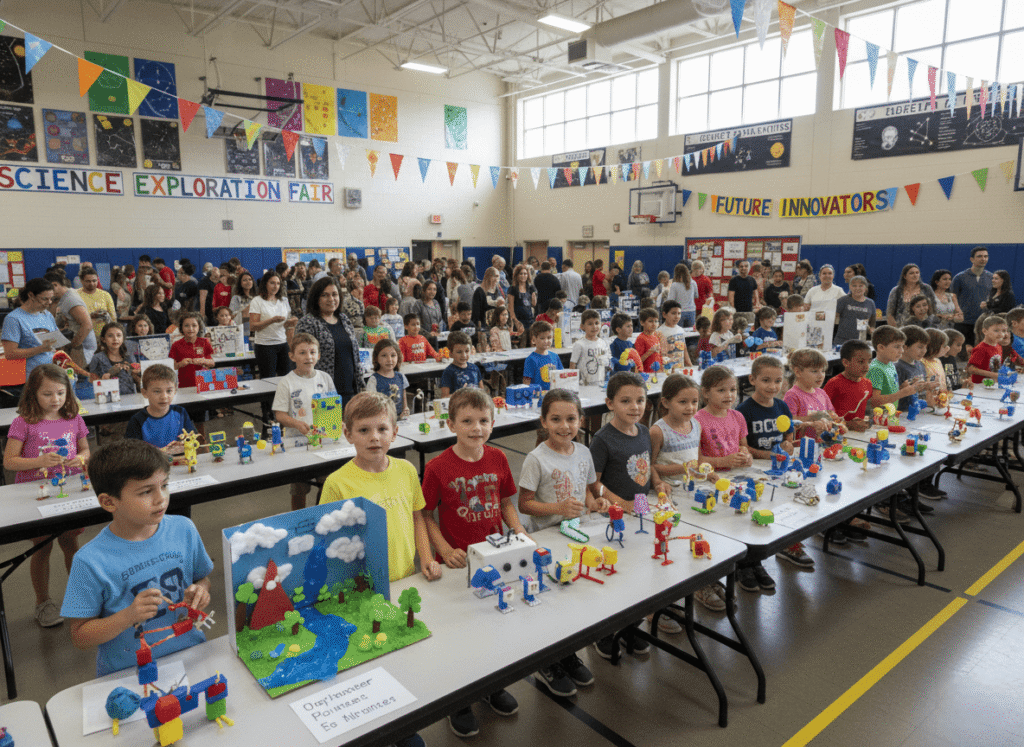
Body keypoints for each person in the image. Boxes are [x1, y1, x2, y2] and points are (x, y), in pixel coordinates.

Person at [420, 387, 524, 737]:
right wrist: (444, 549)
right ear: (451, 424)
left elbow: (507, 503)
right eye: (467, 421)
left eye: (483, 421)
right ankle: (459, 701)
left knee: (495, 626)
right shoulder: (437, 467)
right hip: (457, 565)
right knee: (459, 637)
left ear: (492, 424)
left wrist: (519, 533)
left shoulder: (498, 459)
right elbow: (427, 514)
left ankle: (492, 685)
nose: (476, 428)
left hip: (495, 557)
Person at [61, 439, 212, 675]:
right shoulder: (89, 561)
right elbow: (80, 636)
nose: (161, 498)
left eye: (164, 485)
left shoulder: (183, 529)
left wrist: (200, 590)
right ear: (109, 502)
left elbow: (203, 578)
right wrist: (128, 616)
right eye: (145, 491)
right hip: (129, 672)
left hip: (190, 655)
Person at [518, 389, 607, 694]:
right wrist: (558, 508)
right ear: (543, 421)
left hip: (576, 534)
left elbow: (585, 488)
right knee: (551, 600)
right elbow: (524, 504)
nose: (564, 426)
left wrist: (594, 502)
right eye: (556, 419)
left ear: (581, 420)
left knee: (574, 597)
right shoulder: (536, 458)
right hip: (547, 537)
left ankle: (568, 654)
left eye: (571, 419)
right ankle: (548, 658)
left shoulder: (583, 451)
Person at [4, 363, 90, 627]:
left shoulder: (74, 418)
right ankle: (43, 602)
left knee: (70, 545)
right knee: (41, 548)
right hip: (37, 495)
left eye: (61, 393)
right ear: (33, 394)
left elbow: (86, 450)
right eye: (47, 394)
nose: (55, 400)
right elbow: (9, 461)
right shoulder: (23, 422)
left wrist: (80, 458)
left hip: (68, 490)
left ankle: (82, 598)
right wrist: (39, 460)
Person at [591, 372, 670, 651]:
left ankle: (630, 624)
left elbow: (646, 467)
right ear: (610, 403)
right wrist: (619, 504)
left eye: (640, 400)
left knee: (639, 566)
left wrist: (658, 482)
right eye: (626, 401)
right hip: (611, 513)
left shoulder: (645, 433)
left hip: (640, 507)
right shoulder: (602, 439)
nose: (635, 407)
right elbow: (594, 483)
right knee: (614, 570)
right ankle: (604, 630)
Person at [735, 357, 796, 589]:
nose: (773, 386)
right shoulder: (743, 411)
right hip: (752, 472)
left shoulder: (782, 407)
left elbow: (788, 435)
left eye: (778, 381)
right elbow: (743, 447)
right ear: (752, 380)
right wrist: (769, 455)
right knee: (749, 516)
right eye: (766, 380)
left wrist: (789, 445)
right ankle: (744, 565)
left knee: (766, 516)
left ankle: (757, 562)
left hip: (776, 473)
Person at [272, 332, 335, 510]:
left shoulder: (325, 378)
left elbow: (333, 406)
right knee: (299, 488)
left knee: (328, 482)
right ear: (292, 356)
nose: (309, 357)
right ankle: (299, 519)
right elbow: (280, 415)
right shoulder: (286, 382)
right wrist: (297, 424)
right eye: (302, 353)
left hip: (324, 441)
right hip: (297, 443)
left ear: (319, 355)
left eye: (313, 352)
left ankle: (322, 514)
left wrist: (337, 423)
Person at [295, 277, 362, 406]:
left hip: (350, 392)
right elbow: (302, 359)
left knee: (349, 426)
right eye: (325, 295)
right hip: (323, 394)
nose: (331, 299)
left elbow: (355, 356)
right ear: (316, 298)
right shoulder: (308, 323)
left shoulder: (344, 319)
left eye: (334, 294)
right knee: (327, 426)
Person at [125, 364, 197, 451]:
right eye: (157, 391)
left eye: (169, 391)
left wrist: (186, 444)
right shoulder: (137, 421)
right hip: (152, 464)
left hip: (182, 462)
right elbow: (132, 453)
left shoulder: (180, 412)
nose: (164, 396)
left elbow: (193, 438)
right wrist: (162, 452)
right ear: (144, 393)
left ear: (175, 391)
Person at [783, 348, 846, 443]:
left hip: (823, 444)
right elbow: (789, 425)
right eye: (814, 371)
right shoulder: (792, 396)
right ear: (798, 372)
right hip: (802, 448)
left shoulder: (822, 393)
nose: (821, 375)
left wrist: (838, 423)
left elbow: (831, 415)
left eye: (823, 371)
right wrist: (813, 418)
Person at [1, 277, 59, 376]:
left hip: (50, 370)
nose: (49, 302)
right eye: (45, 299)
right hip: (30, 375)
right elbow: (10, 354)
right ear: (31, 295)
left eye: (51, 299)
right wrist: (40, 349)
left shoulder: (46, 314)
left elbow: (55, 341)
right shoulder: (14, 319)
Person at [250, 271, 297, 380]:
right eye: (272, 283)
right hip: (264, 345)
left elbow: (285, 324)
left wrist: (291, 322)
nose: (275, 286)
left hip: (282, 342)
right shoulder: (257, 301)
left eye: (278, 283)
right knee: (268, 379)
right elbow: (253, 326)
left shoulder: (284, 300)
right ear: (265, 284)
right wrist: (271, 320)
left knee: (286, 378)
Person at [46, 272, 97, 368]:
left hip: (82, 349)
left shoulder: (70, 299)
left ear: (55, 285)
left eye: (48, 289)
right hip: (78, 347)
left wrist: (72, 345)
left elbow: (87, 325)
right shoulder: (65, 297)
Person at [824, 340, 874, 430]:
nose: (866, 367)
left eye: (869, 362)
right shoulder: (834, 383)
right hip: (837, 434)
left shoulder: (867, 383)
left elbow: (868, 412)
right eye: (861, 362)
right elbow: (822, 414)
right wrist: (847, 424)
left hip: (858, 435)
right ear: (846, 362)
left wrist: (868, 421)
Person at [952, 246, 993, 346]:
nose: (983, 259)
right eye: (979, 256)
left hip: (983, 323)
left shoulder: (992, 277)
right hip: (964, 322)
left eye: (985, 256)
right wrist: (958, 310)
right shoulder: (960, 277)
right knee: (962, 354)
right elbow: (952, 296)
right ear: (972, 259)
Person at [89, 322, 141, 395]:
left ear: (123, 338)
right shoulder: (97, 358)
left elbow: (136, 379)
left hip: (130, 398)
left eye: (119, 335)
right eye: (110, 336)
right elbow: (92, 382)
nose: (115, 339)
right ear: (103, 339)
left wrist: (138, 373)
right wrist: (105, 378)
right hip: (108, 400)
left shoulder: (129, 356)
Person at [365, 338, 409, 417]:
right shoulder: (373, 380)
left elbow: (404, 401)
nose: (389, 359)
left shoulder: (401, 377)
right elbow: (371, 406)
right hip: (381, 421)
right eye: (384, 355)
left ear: (398, 356)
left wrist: (405, 410)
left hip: (400, 421)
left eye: (393, 355)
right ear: (376, 358)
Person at [169, 312, 214, 389]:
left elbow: (212, 363)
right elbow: (172, 367)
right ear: (181, 328)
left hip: (204, 383)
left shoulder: (204, 342)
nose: (190, 329)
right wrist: (181, 364)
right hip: (184, 385)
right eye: (186, 326)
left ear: (199, 327)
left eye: (194, 325)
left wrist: (203, 361)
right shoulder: (176, 345)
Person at [887, 263, 937, 327]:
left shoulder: (927, 288)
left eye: (917, 273)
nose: (915, 275)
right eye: (911, 273)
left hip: (924, 327)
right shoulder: (896, 291)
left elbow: (934, 309)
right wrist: (896, 331)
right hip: (901, 328)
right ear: (904, 276)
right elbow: (890, 314)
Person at [570, 310, 610, 385]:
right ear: (582, 326)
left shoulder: (603, 343)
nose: (594, 327)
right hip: (584, 385)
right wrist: (573, 383)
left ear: (601, 324)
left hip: (600, 383)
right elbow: (572, 365)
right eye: (590, 324)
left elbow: (606, 362)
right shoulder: (579, 344)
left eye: (596, 323)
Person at [834, 275, 876, 345]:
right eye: (854, 286)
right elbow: (833, 318)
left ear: (865, 288)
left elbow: (872, 322)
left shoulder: (870, 303)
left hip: (860, 341)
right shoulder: (843, 300)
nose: (857, 288)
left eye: (860, 286)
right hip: (842, 341)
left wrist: (872, 329)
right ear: (850, 287)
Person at [438, 331, 482, 397]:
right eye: (459, 352)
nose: (464, 355)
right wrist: (460, 394)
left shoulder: (475, 368)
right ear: (450, 354)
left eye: (467, 351)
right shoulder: (448, 372)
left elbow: (482, 391)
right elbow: (444, 397)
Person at [78, 266, 116, 340]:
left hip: (103, 336)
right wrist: (91, 316)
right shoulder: (76, 295)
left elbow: (113, 317)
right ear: (82, 281)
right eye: (88, 281)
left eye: (94, 281)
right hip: (84, 336)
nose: (92, 283)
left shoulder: (105, 295)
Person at [967, 315, 1008, 384]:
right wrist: (994, 375)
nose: (1001, 334)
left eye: (1004, 331)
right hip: (980, 386)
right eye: (996, 330)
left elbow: (995, 367)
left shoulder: (999, 347)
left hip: (993, 385)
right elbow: (971, 369)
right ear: (985, 331)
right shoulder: (981, 348)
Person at [522, 320, 562, 389]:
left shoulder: (555, 356)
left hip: (554, 395)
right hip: (537, 398)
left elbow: (561, 377)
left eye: (549, 337)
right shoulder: (530, 359)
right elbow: (526, 384)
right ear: (534, 340)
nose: (546, 341)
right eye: (542, 338)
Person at [656, 300, 693, 366]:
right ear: (664, 314)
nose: (677, 316)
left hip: (680, 368)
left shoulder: (681, 330)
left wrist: (690, 364)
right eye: (673, 313)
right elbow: (658, 354)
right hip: (667, 370)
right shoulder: (659, 332)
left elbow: (684, 349)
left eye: (679, 313)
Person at [509, 264, 537, 346]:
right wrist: (516, 322)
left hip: (530, 320)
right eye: (521, 274)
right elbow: (511, 308)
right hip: (519, 321)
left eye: (525, 274)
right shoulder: (513, 289)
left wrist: (533, 293)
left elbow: (533, 304)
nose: (523, 276)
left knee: (532, 345)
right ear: (517, 275)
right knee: (522, 345)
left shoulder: (530, 288)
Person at [471, 267, 505, 333]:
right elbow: (476, 314)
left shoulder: (497, 291)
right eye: (494, 276)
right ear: (488, 277)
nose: (496, 279)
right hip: (484, 327)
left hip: (496, 326)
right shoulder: (479, 291)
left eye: (498, 277)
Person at [416, 280, 444, 348]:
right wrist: (428, 335)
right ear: (424, 290)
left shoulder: (436, 303)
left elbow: (440, 320)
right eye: (429, 289)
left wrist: (439, 331)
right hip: (423, 340)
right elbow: (415, 324)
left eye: (434, 289)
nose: (432, 292)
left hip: (437, 339)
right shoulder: (418, 303)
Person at [633, 309, 663, 373]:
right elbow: (638, 361)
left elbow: (658, 357)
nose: (654, 324)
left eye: (656, 321)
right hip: (647, 374)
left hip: (657, 373)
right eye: (650, 321)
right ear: (642, 323)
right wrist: (650, 351)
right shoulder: (640, 338)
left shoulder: (656, 337)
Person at [229, 271, 256, 338]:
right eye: (244, 280)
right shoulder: (236, 298)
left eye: (250, 279)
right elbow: (231, 315)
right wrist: (245, 310)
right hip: (242, 332)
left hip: (256, 332)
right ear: (240, 283)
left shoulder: (256, 298)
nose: (248, 282)